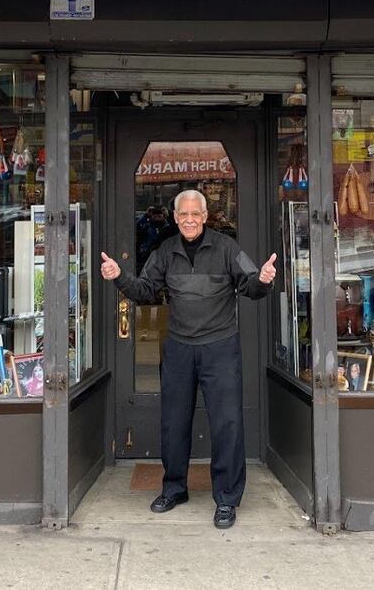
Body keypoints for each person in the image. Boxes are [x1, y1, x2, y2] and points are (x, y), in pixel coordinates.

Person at [100, 188, 276, 530]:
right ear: (175, 217)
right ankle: (174, 488)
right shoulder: (165, 251)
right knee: (174, 422)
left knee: (227, 424)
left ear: (206, 216)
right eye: (184, 215)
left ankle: (226, 499)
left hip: (220, 348)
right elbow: (145, 291)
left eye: (196, 214)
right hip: (179, 347)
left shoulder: (227, 248)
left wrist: (264, 281)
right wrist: (119, 277)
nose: (190, 220)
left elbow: (251, 286)